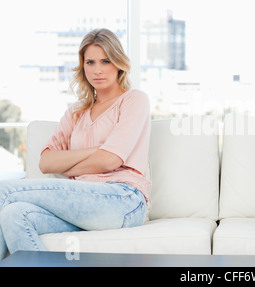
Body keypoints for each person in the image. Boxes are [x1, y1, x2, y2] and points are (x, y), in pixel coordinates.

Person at [0, 28, 151, 259]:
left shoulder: (134, 100)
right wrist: (96, 151)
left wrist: (69, 166)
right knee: (13, 214)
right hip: (80, 205)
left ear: (119, 63)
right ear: (83, 66)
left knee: (3, 192)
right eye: (90, 62)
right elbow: (46, 163)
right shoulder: (76, 112)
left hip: (122, 199)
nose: (97, 70)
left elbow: (111, 160)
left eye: (106, 61)